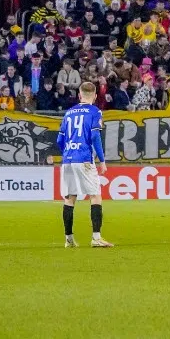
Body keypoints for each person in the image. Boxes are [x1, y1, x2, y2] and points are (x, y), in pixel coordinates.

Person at [56, 82, 111, 248]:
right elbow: (95, 137)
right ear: (94, 96)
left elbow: (59, 140)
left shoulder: (69, 113)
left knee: (70, 198)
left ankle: (69, 239)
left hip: (68, 159)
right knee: (95, 195)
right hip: (84, 158)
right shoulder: (95, 111)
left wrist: (68, 152)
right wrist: (101, 160)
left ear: (79, 95)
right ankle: (96, 237)